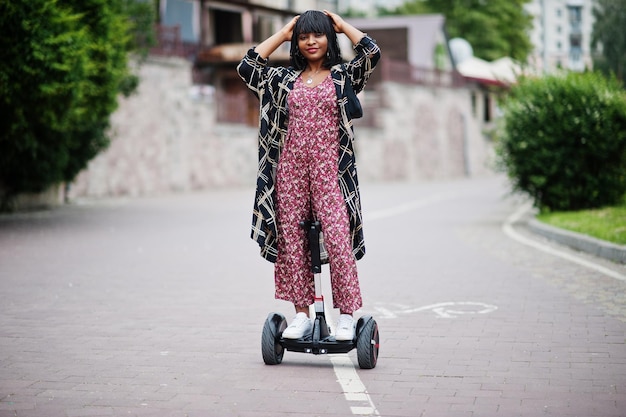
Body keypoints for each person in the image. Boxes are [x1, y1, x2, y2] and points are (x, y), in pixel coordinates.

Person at [237, 10, 380, 341]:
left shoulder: (343, 76)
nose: (310, 42)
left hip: (331, 172)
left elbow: (372, 53)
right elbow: (247, 68)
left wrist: (343, 26)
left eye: (317, 35)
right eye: (303, 37)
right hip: (288, 172)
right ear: (296, 42)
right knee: (292, 243)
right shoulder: (282, 79)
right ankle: (301, 313)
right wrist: (284, 32)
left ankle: (346, 317)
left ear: (329, 39)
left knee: (338, 239)